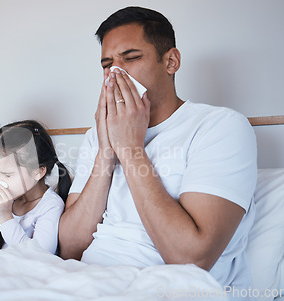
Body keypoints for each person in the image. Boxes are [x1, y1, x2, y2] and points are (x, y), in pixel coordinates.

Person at [58, 6, 257, 291]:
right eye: (107, 65)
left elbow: (191, 260)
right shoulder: (97, 136)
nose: (116, 74)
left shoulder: (219, 127)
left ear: (171, 61)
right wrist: (106, 152)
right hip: (85, 280)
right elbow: (69, 248)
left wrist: (129, 149)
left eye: (131, 58)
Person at [0, 120, 72, 254]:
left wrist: (5, 217)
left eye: (7, 175)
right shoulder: (12, 199)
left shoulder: (51, 205)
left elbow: (40, 255)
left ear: (38, 172)